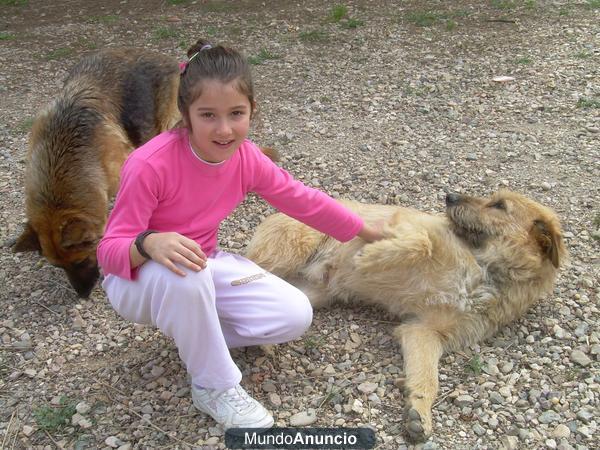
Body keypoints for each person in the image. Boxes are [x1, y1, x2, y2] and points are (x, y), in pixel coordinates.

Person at [97, 38, 384, 431]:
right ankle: (213, 385)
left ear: (252, 110)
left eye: (236, 113)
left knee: (293, 315)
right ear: (185, 114)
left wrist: (367, 230)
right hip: (136, 282)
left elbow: (303, 200)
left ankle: (196, 338)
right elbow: (108, 253)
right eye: (208, 115)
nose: (225, 129)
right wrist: (149, 242)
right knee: (187, 270)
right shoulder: (149, 164)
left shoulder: (247, 158)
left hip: (199, 268)